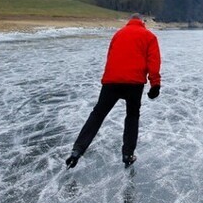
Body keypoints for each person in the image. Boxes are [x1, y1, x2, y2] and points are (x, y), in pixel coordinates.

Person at [66, 14, 161, 169]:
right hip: (134, 83)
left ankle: (77, 150)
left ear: (129, 21)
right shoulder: (149, 36)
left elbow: (110, 56)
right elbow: (153, 60)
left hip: (112, 81)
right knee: (132, 116)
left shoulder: (118, 34)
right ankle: (127, 154)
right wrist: (155, 84)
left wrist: (108, 78)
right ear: (142, 22)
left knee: (97, 114)